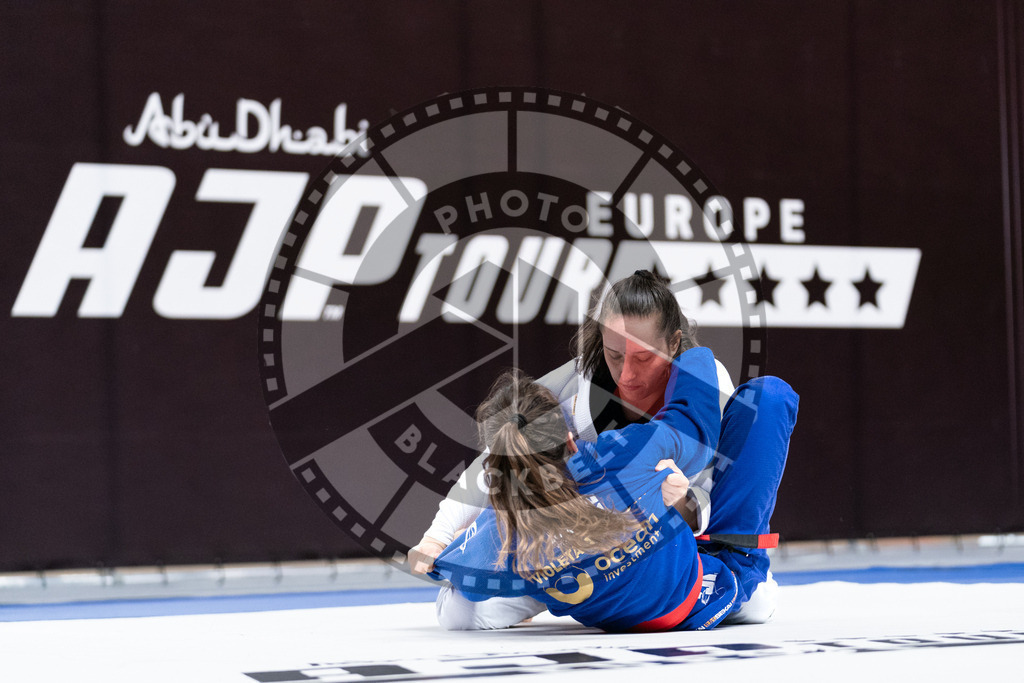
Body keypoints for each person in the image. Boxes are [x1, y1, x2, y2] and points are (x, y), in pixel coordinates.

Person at [410, 270, 788, 628]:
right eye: (615, 355)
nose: (627, 376)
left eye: (643, 358)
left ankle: (729, 571)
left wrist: (685, 509)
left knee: (755, 604)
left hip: (677, 538)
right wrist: (438, 535)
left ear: (673, 344)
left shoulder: (706, 386)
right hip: (583, 538)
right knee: (461, 612)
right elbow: (503, 451)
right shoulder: (573, 390)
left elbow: (713, 495)